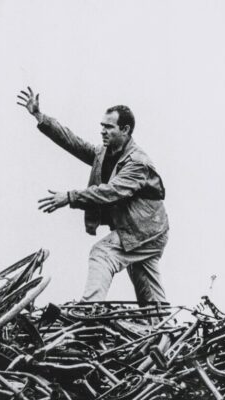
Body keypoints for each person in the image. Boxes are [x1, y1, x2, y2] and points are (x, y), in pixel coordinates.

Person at [17, 87, 169, 305]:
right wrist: (40, 117)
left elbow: (112, 192)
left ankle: (89, 308)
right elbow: (73, 142)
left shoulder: (137, 162)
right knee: (148, 287)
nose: (103, 131)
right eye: (102, 127)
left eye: (109, 127)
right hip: (139, 231)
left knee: (102, 253)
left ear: (125, 130)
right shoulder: (105, 153)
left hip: (145, 231)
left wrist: (69, 197)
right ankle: (162, 327)